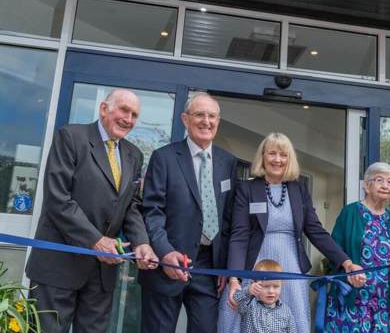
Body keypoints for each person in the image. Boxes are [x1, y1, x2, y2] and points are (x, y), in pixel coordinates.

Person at [25, 89, 158, 333]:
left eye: (135, 115)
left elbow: (130, 207)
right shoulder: (71, 137)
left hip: (102, 274)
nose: (129, 119)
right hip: (58, 267)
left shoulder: (134, 155)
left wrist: (142, 242)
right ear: (104, 109)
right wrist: (96, 240)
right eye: (124, 110)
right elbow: (58, 199)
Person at [220, 132, 365, 333]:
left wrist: (346, 262)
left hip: (290, 266)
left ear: (290, 159)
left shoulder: (299, 190)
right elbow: (239, 234)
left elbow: (315, 231)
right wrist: (234, 279)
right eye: (272, 153)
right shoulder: (247, 188)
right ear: (263, 156)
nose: (277, 160)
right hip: (254, 266)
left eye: (283, 155)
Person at [138, 92, 238, 333]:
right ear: (185, 119)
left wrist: (225, 266)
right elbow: (152, 212)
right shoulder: (164, 157)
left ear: (218, 121)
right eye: (200, 115)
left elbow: (228, 219)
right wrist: (165, 253)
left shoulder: (228, 162)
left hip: (208, 268)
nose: (206, 121)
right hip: (167, 263)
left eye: (212, 116)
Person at [325, 162, 390, 332]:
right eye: (380, 180)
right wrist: (347, 268)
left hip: (385, 307)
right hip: (351, 303)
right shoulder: (350, 213)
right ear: (366, 185)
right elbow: (332, 251)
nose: (386, 185)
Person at [233, 259, 297, 333]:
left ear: (282, 285)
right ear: (255, 284)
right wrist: (248, 291)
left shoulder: (286, 311)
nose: (271, 291)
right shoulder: (250, 304)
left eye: (276, 286)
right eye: (265, 286)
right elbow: (236, 299)